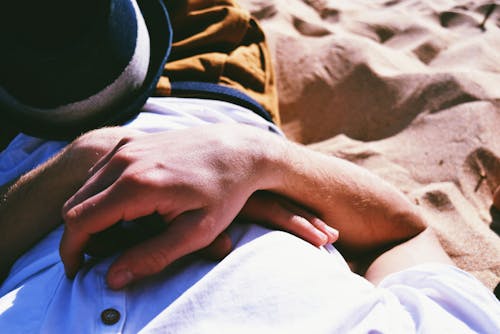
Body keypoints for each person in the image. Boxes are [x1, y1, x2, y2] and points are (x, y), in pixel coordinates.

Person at [1, 0, 499, 332]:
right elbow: (404, 236)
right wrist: (256, 161)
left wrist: (85, 164)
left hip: (26, 149)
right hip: (212, 93)